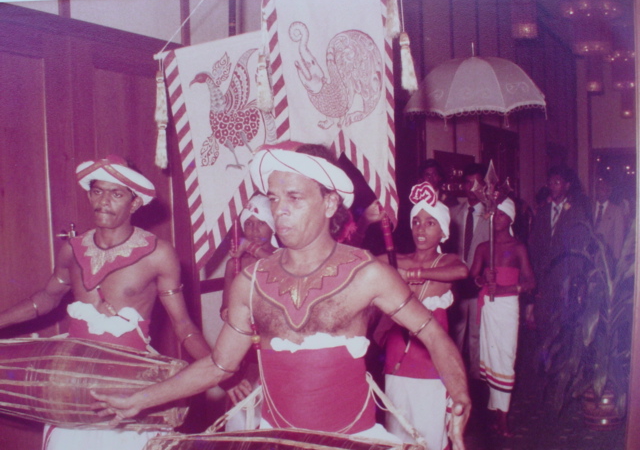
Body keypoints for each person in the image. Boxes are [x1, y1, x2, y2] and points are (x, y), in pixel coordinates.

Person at [93, 143, 472, 450]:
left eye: (294, 197)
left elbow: (433, 334)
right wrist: (142, 398)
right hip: (271, 438)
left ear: (329, 203)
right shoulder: (251, 281)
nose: (280, 211)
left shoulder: (367, 274)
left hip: (352, 442)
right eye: (274, 199)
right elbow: (220, 366)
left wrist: (458, 394)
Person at [0, 155, 211, 450]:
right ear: (89, 195)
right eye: (97, 191)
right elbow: (44, 299)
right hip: (70, 387)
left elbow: (183, 325)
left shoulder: (157, 254)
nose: (104, 201)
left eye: (116, 194)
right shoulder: (72, 250)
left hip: (129, 388)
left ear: (134, 203)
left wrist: (217, 368)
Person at [376, 181, 468, 449]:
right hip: (396, 360)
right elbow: (364, 262)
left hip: (432, 363)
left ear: (443, 231)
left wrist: (411, 275)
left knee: (429, 438)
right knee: (399, 435)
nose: (421, 229)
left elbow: (461, 272)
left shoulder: (446, 262)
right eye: (416, 222)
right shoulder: (396, 260)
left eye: (430, 223)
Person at [469, 198, 535, 437]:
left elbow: (530, 282)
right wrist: (482, 280)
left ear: (510, 219)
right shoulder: (483, 248)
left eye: (501, 214)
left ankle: (503, 419)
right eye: (493, 214)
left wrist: (509, 289)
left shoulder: (518, 247)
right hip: (489, 306)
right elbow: (472, 276)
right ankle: (497, 416)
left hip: (507, 307)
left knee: (505, 360)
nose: (496, 218)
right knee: (492, 360)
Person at [220, 193, 277, 430]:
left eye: (260, 223)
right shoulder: (235, 263)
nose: (253, 230)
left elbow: (277, 269)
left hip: (276, 348)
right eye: (248, 224)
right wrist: (232, 314)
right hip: (246, 351)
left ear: (273, 226)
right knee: (240, 419)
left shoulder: (284, 257)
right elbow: (225, 309)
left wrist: (253, 249)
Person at [528, 165, 590, 341]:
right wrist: (535, 280)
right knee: (542, 328)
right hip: (543, 281)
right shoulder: (543, 212)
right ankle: (543, 367)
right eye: (550, 183)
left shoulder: (577, 212)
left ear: (567, 186)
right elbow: (534, 248)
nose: (552, 187)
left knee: (562, 331)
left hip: (564, 281)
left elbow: (579, 251)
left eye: (557, 183)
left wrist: (571, 281)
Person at [447, 163, 490, 380]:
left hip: (478, 281)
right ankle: (454, 375)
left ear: (483, 185)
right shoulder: (453, 214)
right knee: (456, 330)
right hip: (456, 282)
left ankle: (475, 379)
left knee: (476, 332)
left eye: (476, 182)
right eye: (468, 182)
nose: (471, 187)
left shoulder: (491, 217)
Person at [593, 174, 626, 260]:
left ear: (609, 192)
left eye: (603, 189)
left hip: (606, 257)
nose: (600, 192)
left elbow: (618, 239)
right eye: (598, 189)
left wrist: (615, 259)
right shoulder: (589, 207)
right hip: (588, 256)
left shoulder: (616, 211)